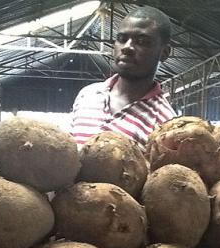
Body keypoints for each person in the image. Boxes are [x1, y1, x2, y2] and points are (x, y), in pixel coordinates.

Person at [70, 5, 176, 150]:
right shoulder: (87, 95)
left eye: (142, 41)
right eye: (122, 38)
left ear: (164, 52)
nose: (127, 47)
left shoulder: (165, 123)